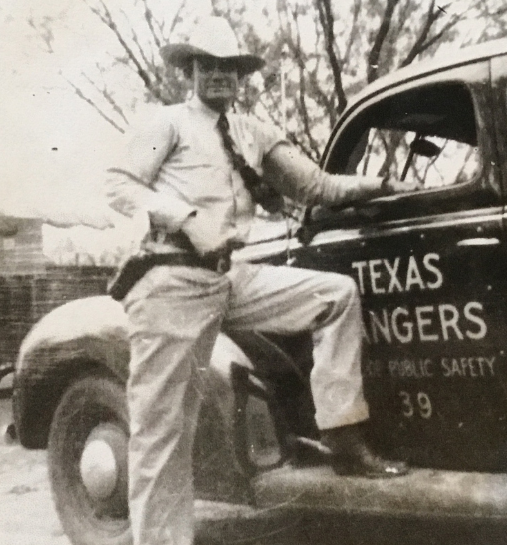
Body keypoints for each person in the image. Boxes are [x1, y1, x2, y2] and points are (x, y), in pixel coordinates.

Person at [105, 16, 410, 545]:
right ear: (190, 71)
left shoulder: (250, 131)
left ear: (240, 75)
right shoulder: (169, 123)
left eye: (231, 67)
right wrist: (181, 216)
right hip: (170, 281)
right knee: (163, 429)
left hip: (229, 278)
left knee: (334, 295)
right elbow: (118, 184)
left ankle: (342, 435)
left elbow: (316, 186)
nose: (220, 76)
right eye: (209, 65)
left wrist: (382, 184)